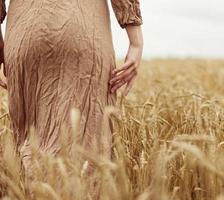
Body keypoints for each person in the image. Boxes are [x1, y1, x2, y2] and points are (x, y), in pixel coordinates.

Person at [0, 0, 143, 171]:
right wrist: (136, 41)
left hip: (24, 33)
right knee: (88, 144)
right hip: (84, 30)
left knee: (32, 147)